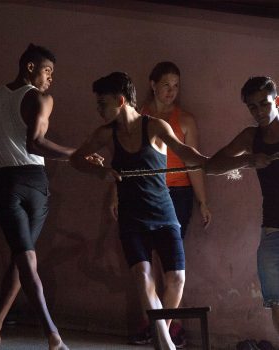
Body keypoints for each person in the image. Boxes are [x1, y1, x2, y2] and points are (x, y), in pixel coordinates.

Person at [70, 71, 212, 350]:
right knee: (142, 275)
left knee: (177, 278)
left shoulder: (156, 127)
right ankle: (166, 344)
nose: (98, 109)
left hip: (164, 214)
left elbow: (186, 153)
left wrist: (216, 164)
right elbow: (77, 159)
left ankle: (163, 336)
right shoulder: (105, 133)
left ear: (120, 100)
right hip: (132, 219)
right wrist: (100, 172)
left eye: (102, 103)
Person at [0, 43, 77, 350]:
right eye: (47, 70)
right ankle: (51, 333)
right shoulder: (40, 99)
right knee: (26, 257)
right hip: (33, 182)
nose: (50, 78)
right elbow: (35, 145)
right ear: (29, 67)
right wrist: (75, 154)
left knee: (21, 256)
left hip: (5, 182)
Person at [137, 61, 211, 347]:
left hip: (177, 194)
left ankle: (168, 329)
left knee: (172, 262)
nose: (171, 91)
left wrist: (203, 201)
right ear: (153, 84)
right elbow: (127, 155)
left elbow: (194, 163)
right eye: (166, 84)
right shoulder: (139, 115)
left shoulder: (186, 120)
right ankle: (159, 325)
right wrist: (117, 194)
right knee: (150, 261)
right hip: (145, 191)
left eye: (176, 86)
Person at [207, 76, 279, 340]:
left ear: (277, 100)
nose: (259, 111)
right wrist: (249, 160)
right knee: (277, 303)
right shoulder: (251, 137)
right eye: (252, 107)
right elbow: (212, 166)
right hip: (272, 229)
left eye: (264, 104)